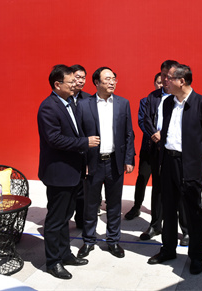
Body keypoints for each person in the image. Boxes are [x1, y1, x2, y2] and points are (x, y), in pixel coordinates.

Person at [147, 64, 202, 275]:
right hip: (168, 162)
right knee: (168, 208)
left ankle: (196, 256)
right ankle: (168, 249)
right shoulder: (168, 102)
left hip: (189, 164)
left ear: (182, 81)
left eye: (169, 78)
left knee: (192, 211)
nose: (165, 81)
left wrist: (194, 155)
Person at [37, 64, 99, 280]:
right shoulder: (48, 107)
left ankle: (65, 254)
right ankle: (53, 262)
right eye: (71, 82)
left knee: (66, 217)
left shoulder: (69, 103)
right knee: (56, 220)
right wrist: (84, 142)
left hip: (73, 172)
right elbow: (54, 139)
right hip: (59, 174)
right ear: (57, 84)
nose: (76, 84)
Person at [76, 67, 135, 259]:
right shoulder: (83, 105)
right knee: (90, 205)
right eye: (107, 79)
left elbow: (129, 133)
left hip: (115, 162)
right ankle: (88, 241)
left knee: (114, 205)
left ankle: (113, 241)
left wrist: (129, 159)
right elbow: (79, 135)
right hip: (93, 163)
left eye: (114, 79)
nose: (112, 82)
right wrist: (83, 162)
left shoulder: (122, 103)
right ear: (96, 82)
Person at [139, 59, 189, 243]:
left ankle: (186, 230)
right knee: (158, 188)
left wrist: (164, 134)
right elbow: (146, 119)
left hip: (177, 151)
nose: (166, 79)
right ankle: (155, 225)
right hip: (157, 149)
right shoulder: (153, 97)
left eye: (169, 76)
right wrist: (154, 134)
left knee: (181, 190)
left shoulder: (184, 98)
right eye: (163, 75)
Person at [125, 72, 163, 220]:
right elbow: (142, 121)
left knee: (162, 181)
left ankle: (162, 210)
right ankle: (136, 206)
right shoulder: (146, 101)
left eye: (163, 82)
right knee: (142, 177)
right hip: (148, 147)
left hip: (164, 149)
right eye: (158, 82)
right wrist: (154, 135)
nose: (161, 85)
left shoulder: (172, 101)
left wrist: (162, 136)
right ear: (154, 83)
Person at [69, 64, 91, 229]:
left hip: (84, 150)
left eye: (83, 78)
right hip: (68, 150)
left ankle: (81, 221)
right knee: (68, 189)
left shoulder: (88, 99)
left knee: (83, 190)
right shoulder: (63, 98)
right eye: (78, 77)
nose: (81, 81)